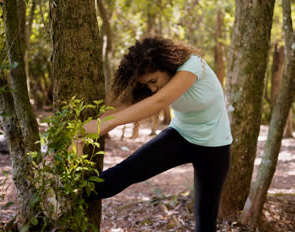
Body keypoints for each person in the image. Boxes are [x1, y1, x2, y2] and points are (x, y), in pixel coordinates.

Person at [77, 37, 232, 232]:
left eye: (153, 81)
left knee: (205, 222)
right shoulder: (157, 82)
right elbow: (121, 106)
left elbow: (158, 102)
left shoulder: (193, 65)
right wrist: (85, 131)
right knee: (127, 171)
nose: (151, 88)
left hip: (215, 147)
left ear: (167, 66)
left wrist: (103, 126)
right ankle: (71, 192)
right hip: (181, 135)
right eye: (147, 84)